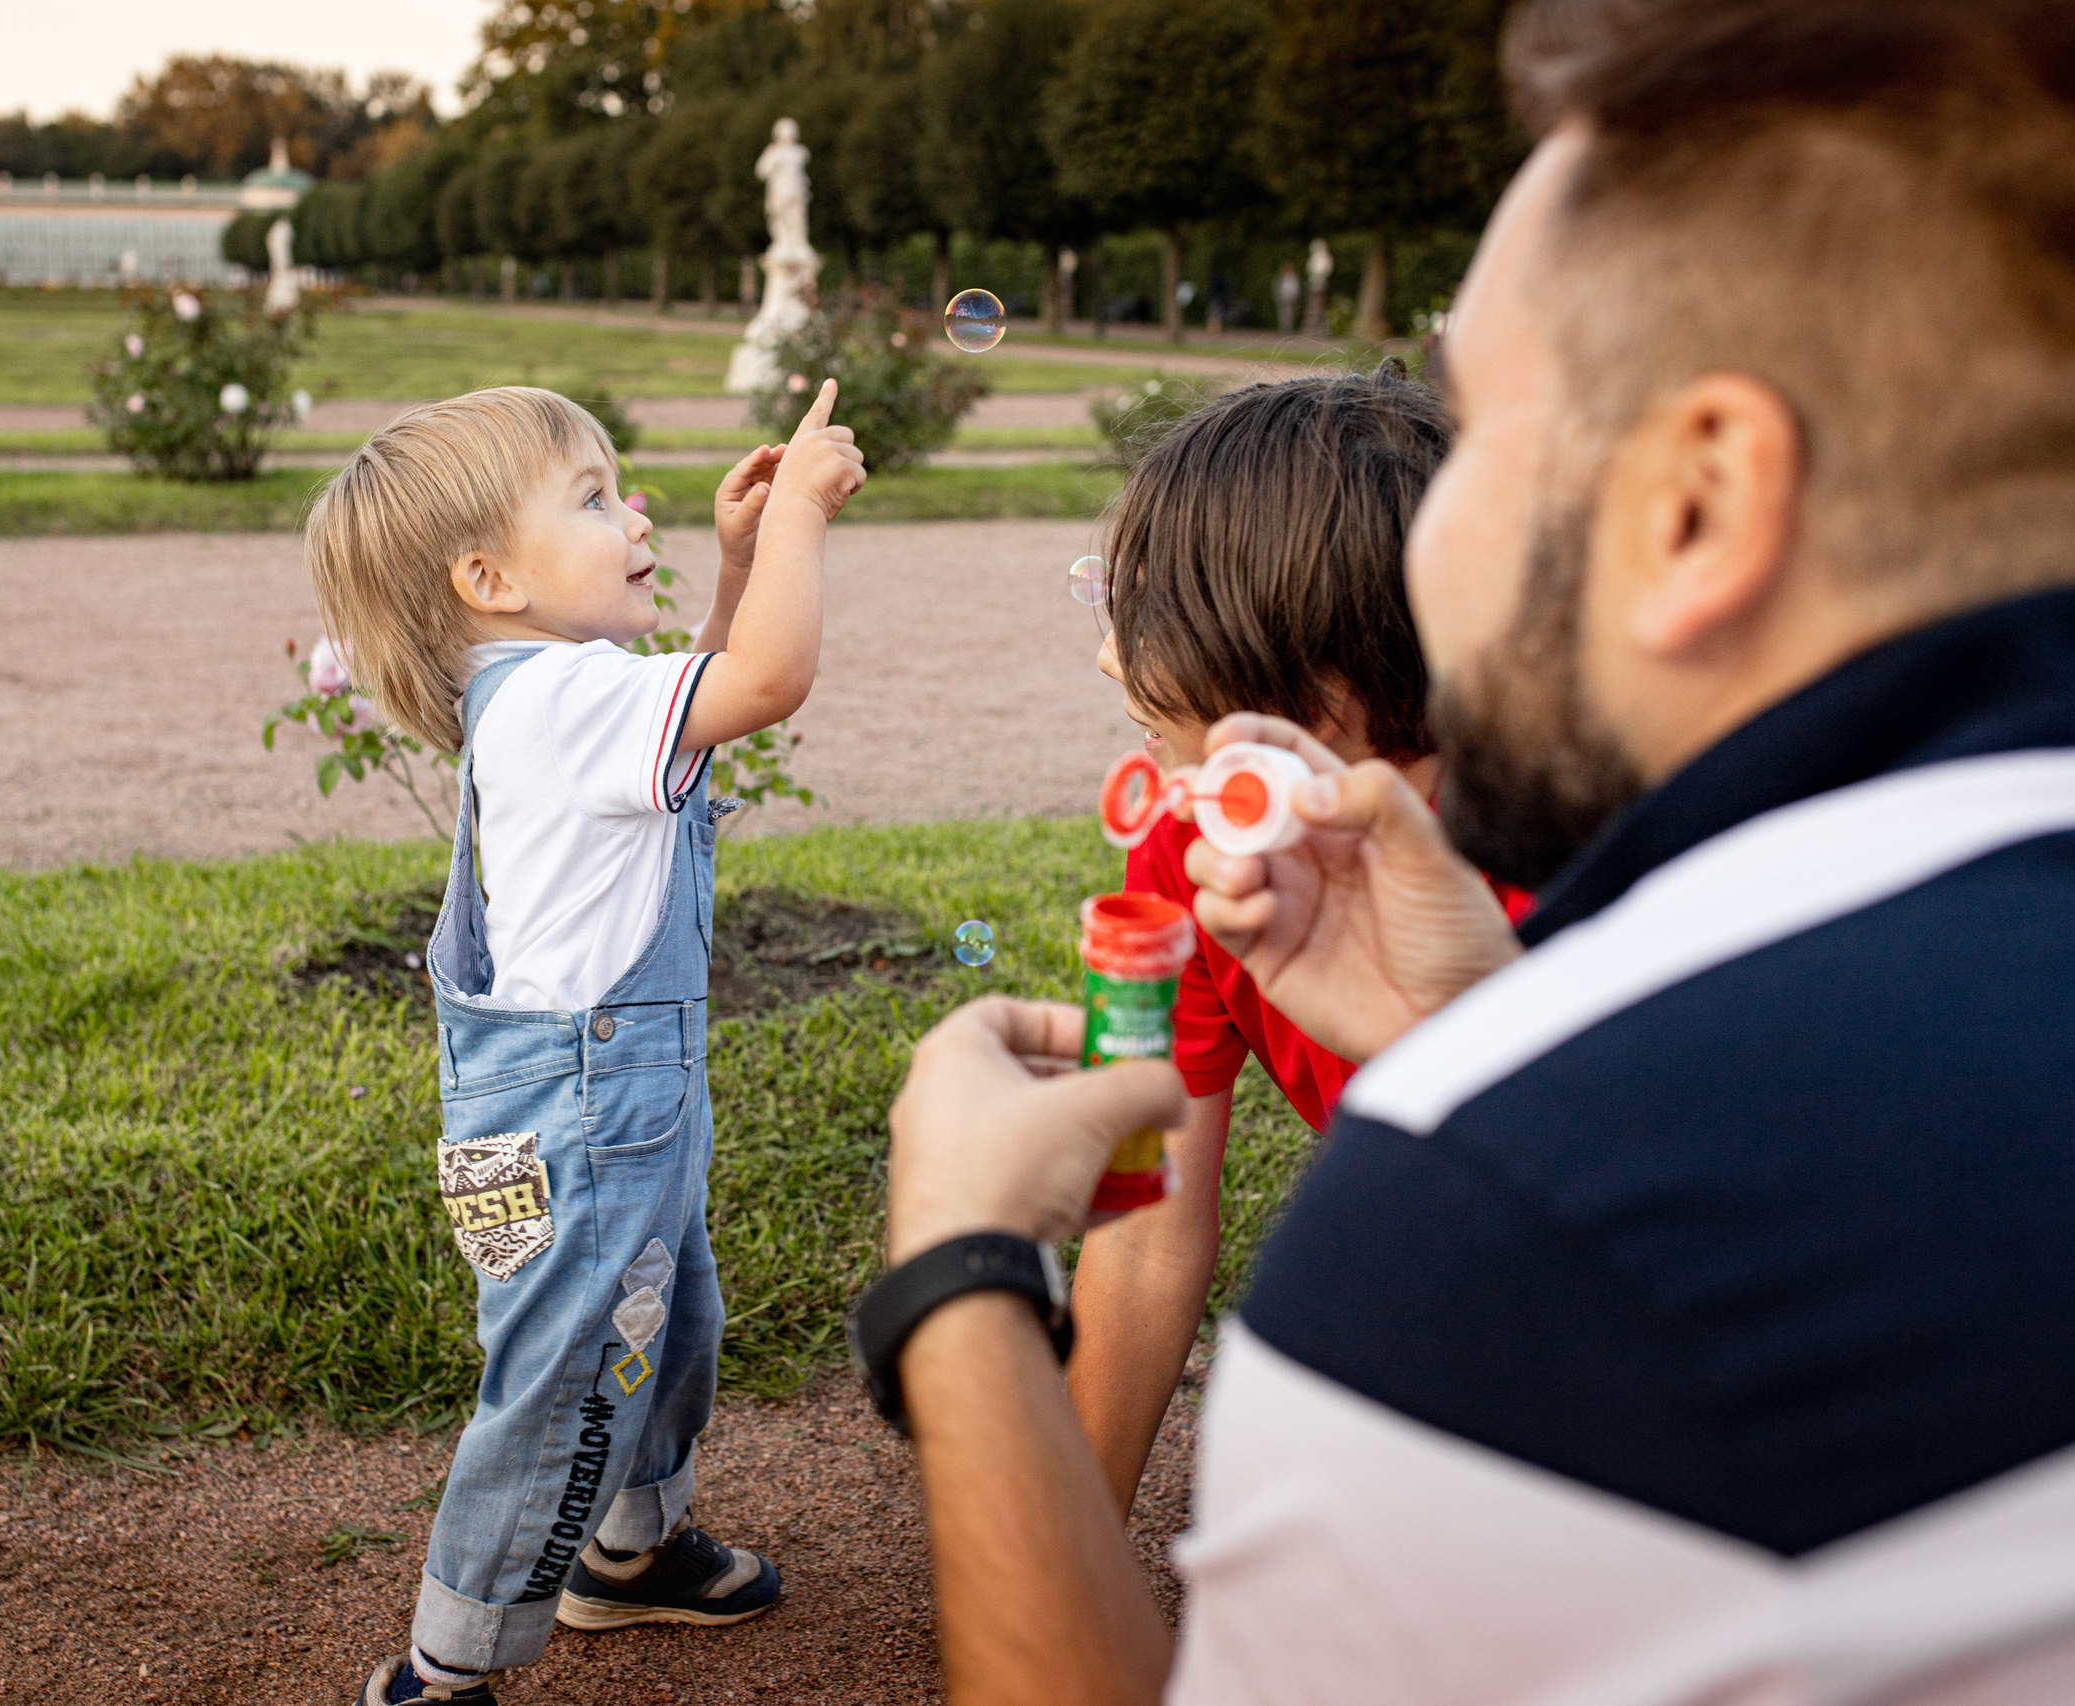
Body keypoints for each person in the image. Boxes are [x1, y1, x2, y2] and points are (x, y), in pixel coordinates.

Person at [854, 0, 2075, 1699]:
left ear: (1699, 501)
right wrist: (1481, 1027)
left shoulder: (1529, 1234)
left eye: (1482, 424)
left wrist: (963, 1281)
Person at [308, 382, 866, 1704]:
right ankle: (446, 1664)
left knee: (663, 1326)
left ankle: (631, 1547)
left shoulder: (560, 693)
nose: (634, 515)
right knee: (567, 1380)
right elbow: (768, 683)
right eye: (594, 496)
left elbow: (710, 695)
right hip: (587, 1126)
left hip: (573, 1119)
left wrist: (732, 564)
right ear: (488, 578)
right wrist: (797, 524)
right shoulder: (562, 701)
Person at [1069, 368, 1530, 1513]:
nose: (1106, 652)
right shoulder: (1193, 842)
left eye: (1142, 606)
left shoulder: (1593, 872)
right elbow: (1140, 1219)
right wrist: (1070, 1552)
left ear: (1313, 712)